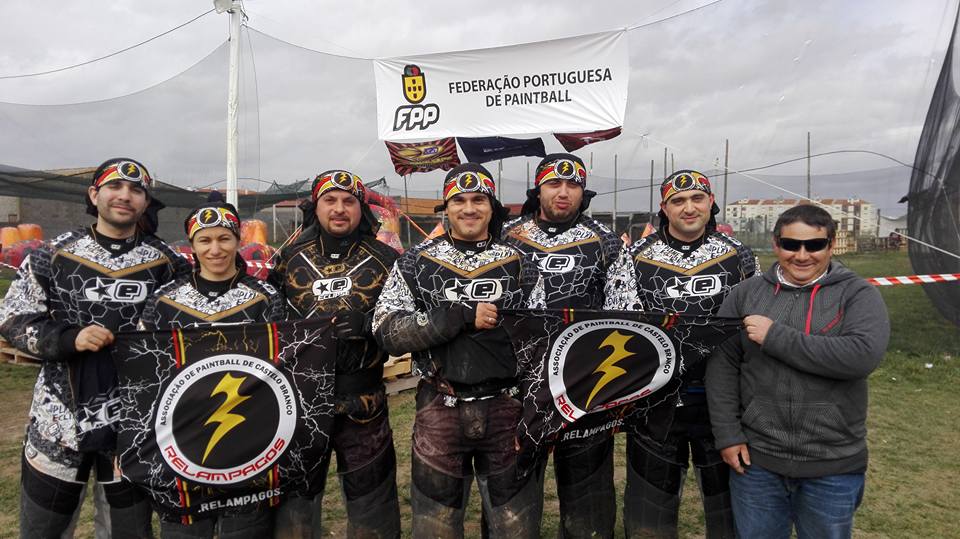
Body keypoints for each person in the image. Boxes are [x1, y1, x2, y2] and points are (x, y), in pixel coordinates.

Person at [0, 157, 191, 538]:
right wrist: (69, 338)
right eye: (114, 186)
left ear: (145, 201)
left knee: (127, 531)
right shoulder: (51, 254)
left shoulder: (168, 263)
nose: (125, 196)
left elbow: (188, 328)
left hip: (134, 422)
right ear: (93, 194)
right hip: (58, 418)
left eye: (136, 190)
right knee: (42, 530)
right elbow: (13, 318)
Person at [373, 163, 545, 538]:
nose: (469, 209)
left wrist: (533, 411)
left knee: (515, 526)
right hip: (439, 406)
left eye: (478, 200)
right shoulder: (414, 262)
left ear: (492, 207)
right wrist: (459, 316)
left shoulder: (522, 264)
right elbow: (386, 329)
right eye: (459, 201)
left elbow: (541, 344)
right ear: (446, 208)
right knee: (434, 525)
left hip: (507, 408)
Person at [705, 204, 890, 539]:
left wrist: (775, 337)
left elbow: (861, 357)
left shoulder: (858, 294)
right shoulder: (745, 295)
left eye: (814, 245)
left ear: (831, 245)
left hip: (833, 465)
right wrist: (728, 435)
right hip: (757, 462)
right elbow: (722, 367)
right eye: (791, 244)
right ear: (776, 244)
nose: (802, 255)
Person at [604, 170, 759, 538]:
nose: (689, 208)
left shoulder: (739, 255)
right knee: (649, 515)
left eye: (697, 198)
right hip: (655, 403)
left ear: (711, 202)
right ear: (664, 208)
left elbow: (755, 322)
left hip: (722, 404)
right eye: (678, 201)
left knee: (730, 513)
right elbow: (621, 322)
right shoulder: (634, 256)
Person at [137, 193, 285, 538]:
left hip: (248, 436)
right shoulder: (164, 301)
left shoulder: (266, 298)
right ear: (192, 245)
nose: (215, 249)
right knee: (185, 530)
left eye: (224, 238)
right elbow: (144, 374)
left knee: (245, 529)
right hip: (181, 438)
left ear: (238, 241)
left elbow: (282, 368)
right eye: (204, 240)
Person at [270, 170, 401, 539]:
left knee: (373, 508)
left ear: (362, 209)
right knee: (295, 507)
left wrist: (370, 324)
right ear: (316, 207)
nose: (339, 208)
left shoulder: (388, 259)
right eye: (330, 200)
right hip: (301, 404)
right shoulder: (288, 260)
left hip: (365, 403)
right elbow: (269, 323)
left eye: (349, 201)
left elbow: (406, 321)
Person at [501, 153, 622, 537]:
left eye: (573, 184)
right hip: (518, 386)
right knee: (514, 504)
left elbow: (623, 311)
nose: (564, 192)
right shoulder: (506, 236)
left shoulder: (606, 241)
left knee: (588, 506)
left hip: (584, 386)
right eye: (554, 183)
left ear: (584, 192)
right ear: (538, 190)